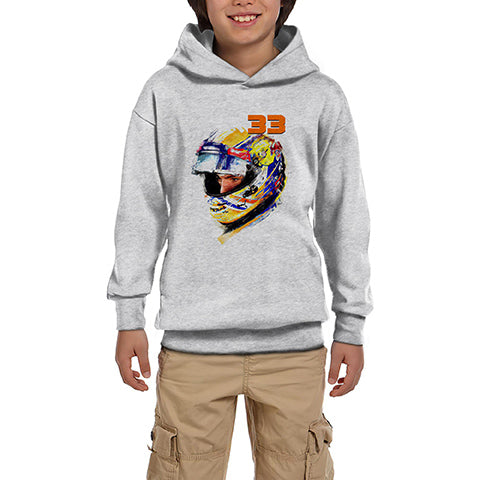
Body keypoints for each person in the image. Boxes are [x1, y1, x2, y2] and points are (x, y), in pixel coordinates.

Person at [106, 0, 374, 478]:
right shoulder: (166, 91)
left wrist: (351, 325)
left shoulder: (320, 96)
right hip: (192, 343)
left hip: (294, 346)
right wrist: (129, 314)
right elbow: (140, 209)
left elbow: (343, 215)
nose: (243, 0)